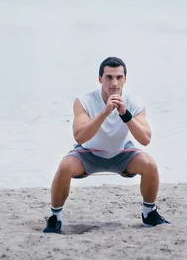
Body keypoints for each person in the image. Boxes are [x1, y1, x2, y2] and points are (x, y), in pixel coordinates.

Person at [44, 57, 169, 233]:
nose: (114, 83)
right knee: (64, 166)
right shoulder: (84, 101)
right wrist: (105, 112)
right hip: (87, 153)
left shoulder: (134, 101)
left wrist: (125, 114)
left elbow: (145, 139)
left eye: (119, 77)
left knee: (150, 164)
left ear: (125, 80)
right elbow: (79, 137)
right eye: (109, 77)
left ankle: (149, 214)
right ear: (100, 79)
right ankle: (55, 218)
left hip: (121, 154)